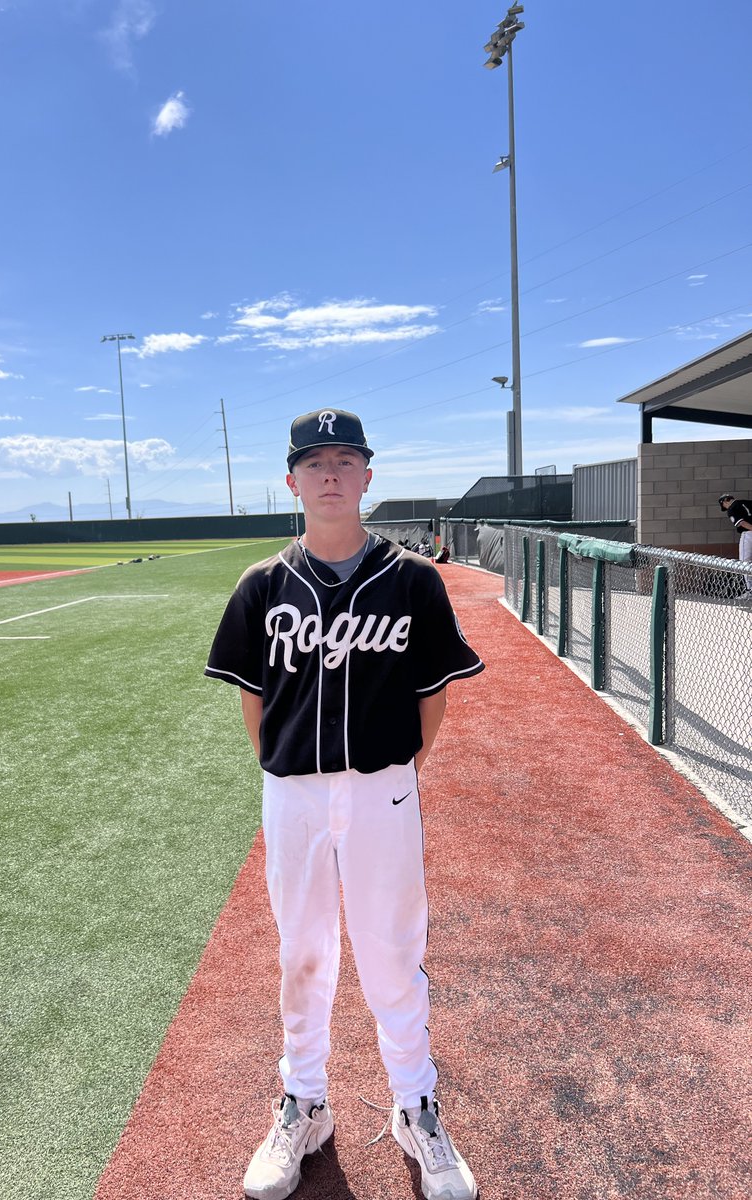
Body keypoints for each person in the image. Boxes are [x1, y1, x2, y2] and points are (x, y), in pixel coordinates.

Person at [205, 408, 485, 1200]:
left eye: (345, 459)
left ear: (367, 475)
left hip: (381, 788)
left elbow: (432, 700)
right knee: (303, 951)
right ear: (292, 480)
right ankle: (305, 1102)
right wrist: (287, 769)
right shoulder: (261, 585)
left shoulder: (412, 580)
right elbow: (254, 703)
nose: (330, 473)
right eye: (314, 461)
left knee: (392, 951)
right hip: (291, 790)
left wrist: (395, 772)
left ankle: (415, 1106)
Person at [718, 492, 752, 597]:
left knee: (744, 562)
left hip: (748, 534)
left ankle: (750, 590)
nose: (725, 507)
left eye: (723, 505)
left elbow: (741, 523)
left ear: (724, 501)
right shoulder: (747, 502)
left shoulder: (732, 508)